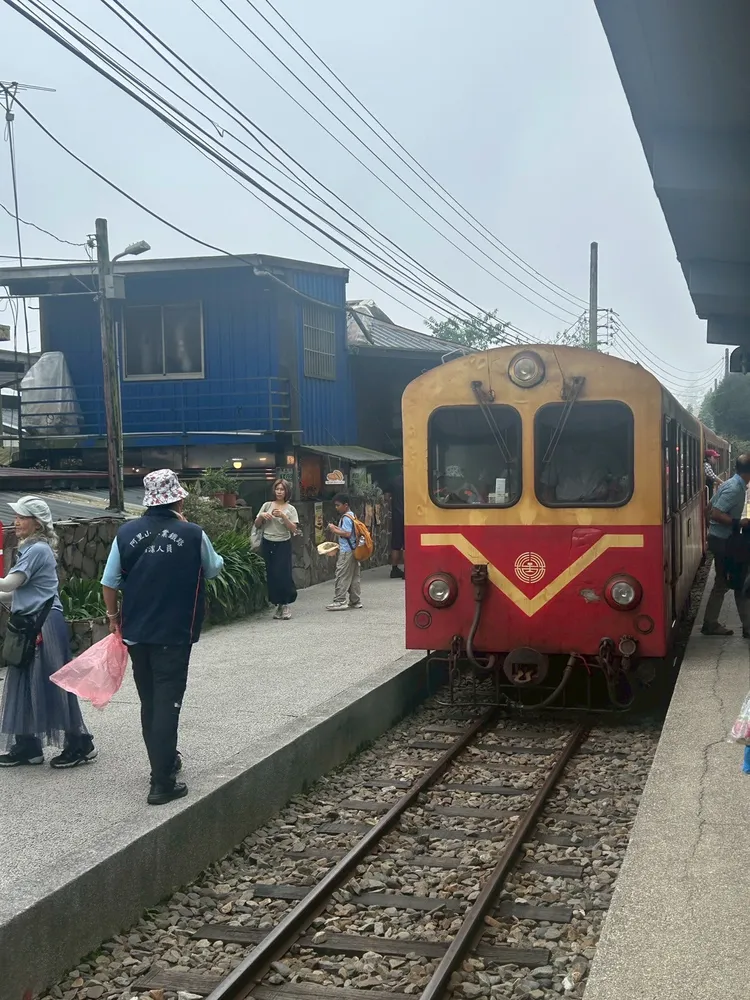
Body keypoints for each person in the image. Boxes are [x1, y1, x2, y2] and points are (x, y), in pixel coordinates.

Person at [101, 469, 223, 805]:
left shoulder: (126, 533)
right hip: (175, 631)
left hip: (136, 632)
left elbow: (109, 582)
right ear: (178, 499)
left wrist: (113, 618)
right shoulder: (193, 533)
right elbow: (213, 568)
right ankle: (162, 782)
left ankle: (164, 761)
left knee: (150, 701)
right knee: (168, 703)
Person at [0, 496, 96, 768]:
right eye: (17, 516)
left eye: (23, 517)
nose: (17, 521)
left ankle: (79, 742)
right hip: (32, 622)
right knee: (25, 680)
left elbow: (8, 585)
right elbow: (18, 592)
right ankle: (28, 746)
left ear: (38, 523)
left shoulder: (37, 550)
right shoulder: (32, 549)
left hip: (43, 624)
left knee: (53, 681)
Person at [701, 454, 750, 637]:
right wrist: (738, 523)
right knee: (732, 581)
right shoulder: (735, 488)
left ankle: (712, 623)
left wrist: (712, 530)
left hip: (720, 539)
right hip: (724, 541)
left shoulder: (730, 483)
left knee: (730, 580)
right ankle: (711, 624)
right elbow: (715, 513)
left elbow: (708, 508)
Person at [255, 478, 299, 620]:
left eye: (282, 489)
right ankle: (278, 603)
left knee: (283, 574)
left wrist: (283, 516)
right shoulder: (267, 505)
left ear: (287, 492)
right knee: (272, 574)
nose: (279, 492)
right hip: (268, 542)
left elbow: (294, 529)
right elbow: (257, 524)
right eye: (277, 489)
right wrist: (262, 516)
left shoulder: (290, 509)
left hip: (283, 543)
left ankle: (286, 604)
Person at [326, 494, 363, 612]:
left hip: (347, 551)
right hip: (354, 550)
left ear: (345, 505)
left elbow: (347, 533)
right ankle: (355, 600)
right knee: (354, 576)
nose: (336, 508)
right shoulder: (352, 516)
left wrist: (334, 529)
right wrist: (337, 528)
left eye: (338, 505)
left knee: (341, 574)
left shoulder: (346, 518)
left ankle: (340, 600)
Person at [389, 473, 405, 580]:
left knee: (396, 545)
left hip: (396, 516)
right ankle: (407, 570)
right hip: (408, 516)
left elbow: (387, 496)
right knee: (407, 546)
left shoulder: (394, 481)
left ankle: (394, 569)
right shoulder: (412, 480)